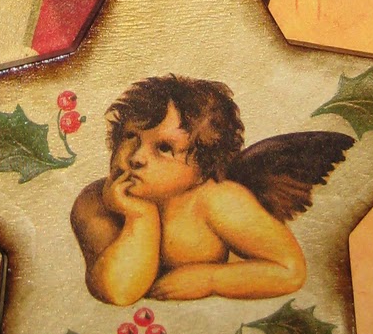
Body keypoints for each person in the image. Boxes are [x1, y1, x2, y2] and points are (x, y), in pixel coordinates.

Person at [71, 75, 328, 305]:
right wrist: (140, 216)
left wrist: (211, 280)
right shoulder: (96, 201)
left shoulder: (218, 199)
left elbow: (290, 270)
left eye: (164, 148)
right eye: (130, 137)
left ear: (204, 167)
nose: (136, 157)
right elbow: (118, 292)